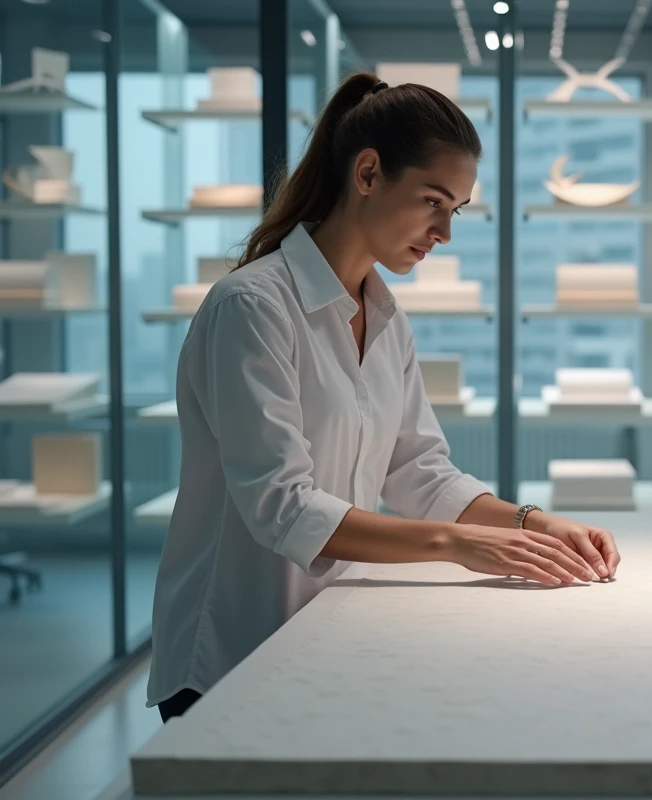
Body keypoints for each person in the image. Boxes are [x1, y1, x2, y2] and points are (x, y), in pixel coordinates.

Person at [147, 73, 621, 724]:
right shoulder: (252, 307)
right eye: (433, 202)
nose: (443, 232)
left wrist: (531, 522)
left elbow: (419, 471)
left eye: (455, 211)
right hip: (231, 651)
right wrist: (456, 544)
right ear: (367, 173)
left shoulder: (386, 317)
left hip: (324, 631)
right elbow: (281, 504)